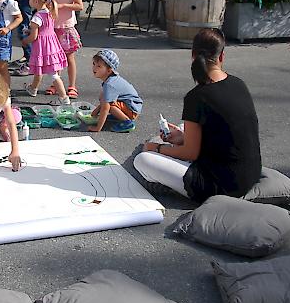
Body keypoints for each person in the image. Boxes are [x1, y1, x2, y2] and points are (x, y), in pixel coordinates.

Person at [134, 29, 262, 203]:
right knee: (182, 128)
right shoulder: (238, 83)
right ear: (221, 56)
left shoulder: (196, 97)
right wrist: (183, 138)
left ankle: (169, 185)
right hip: (251, 173)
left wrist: (156, 148)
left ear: (193, 55)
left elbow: (191, 153)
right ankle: (177, 146)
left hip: (220, 186)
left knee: (142, 160)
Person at [22, 0, 70, 105]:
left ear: (36, 0)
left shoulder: (37, 17)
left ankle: (64, 97)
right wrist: (31, 30)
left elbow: (34, 36)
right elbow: (45, 29)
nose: (29, 1)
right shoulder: (50, 11)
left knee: (52, 74)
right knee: (42, 70)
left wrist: (25, 40)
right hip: (51, 45)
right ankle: (33, 88)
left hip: (42, 47)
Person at [43, 0, 84, 98]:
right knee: (56, 58)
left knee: (69, 57)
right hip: (53, 27)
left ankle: (72, 85)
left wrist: (62, 5)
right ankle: (56, 83)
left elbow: (80, 5)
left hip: (66, 27)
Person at [88, 49, 142, 133]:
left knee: (108, 104)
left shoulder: (110, 84)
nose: (94, 68)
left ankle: (127, 122)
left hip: (132, 109)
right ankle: (118, 116)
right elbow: (103, 101)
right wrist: (94, 113)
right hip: (130, 105)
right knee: (103, 97)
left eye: (99, 66)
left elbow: (105, 107)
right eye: (94, 64)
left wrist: (97, 128)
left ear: (109, 70)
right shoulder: (110, 80)